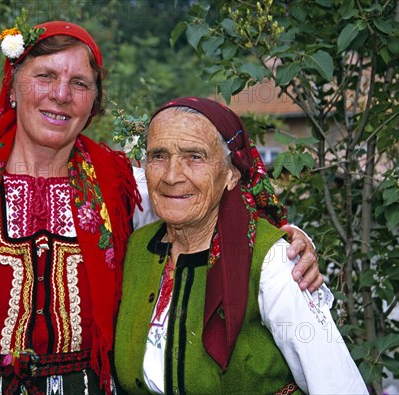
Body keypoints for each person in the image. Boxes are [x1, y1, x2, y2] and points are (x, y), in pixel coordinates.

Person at [0, 18, 321, 395]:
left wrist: (291, 241)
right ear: (13, 86)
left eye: (79, 83)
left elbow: (205, 200)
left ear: (93, 104)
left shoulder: (126, 186)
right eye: (44, 76)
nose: (60, 94)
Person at [114, 97, 368, 395]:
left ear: (232, 173)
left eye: (194, 157)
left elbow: (337, 384)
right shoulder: (139, 247)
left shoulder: (274, 261)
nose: (171, 175)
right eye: (158, 156)